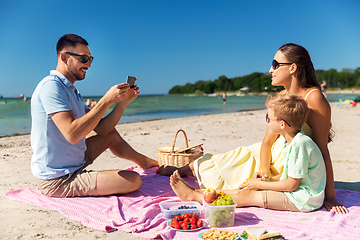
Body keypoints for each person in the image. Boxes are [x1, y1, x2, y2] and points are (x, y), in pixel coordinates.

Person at [158, 43, 348, 214]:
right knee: (238, 155)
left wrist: (330, 197)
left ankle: (194, 178)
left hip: (294, 160)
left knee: (243, 183)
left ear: (292, 68)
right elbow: (267, 142)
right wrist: (264, 175)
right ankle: (190, 168)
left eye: (275, 64)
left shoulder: (314, 99)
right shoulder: (282, 96)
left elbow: (323, 150)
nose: (270, 69)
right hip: (274, 156)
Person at [31, 34, 158, 198]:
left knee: (111, 135)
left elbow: (103, 129)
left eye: (91, 59)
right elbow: (72, 134)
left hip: (75, 162)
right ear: (64, 57)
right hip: (58, 179)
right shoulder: (51, 87)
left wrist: (122, 103)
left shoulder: (71, 90)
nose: (89, 65)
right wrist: (105, 101)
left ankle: (145, 162)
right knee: (134, 180)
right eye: (84, 59)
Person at [171, 94, 326, 212]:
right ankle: (200, 192)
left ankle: (195, 197)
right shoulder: (291, 141)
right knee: (244, 189)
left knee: (248, 195)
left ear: (282, 124)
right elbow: (290, 175)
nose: (266, 121)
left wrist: (261, 184)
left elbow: (292, 185)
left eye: (268, 118)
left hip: (303, 199)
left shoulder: (300, 144)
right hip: (299, 192)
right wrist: (266, 180)